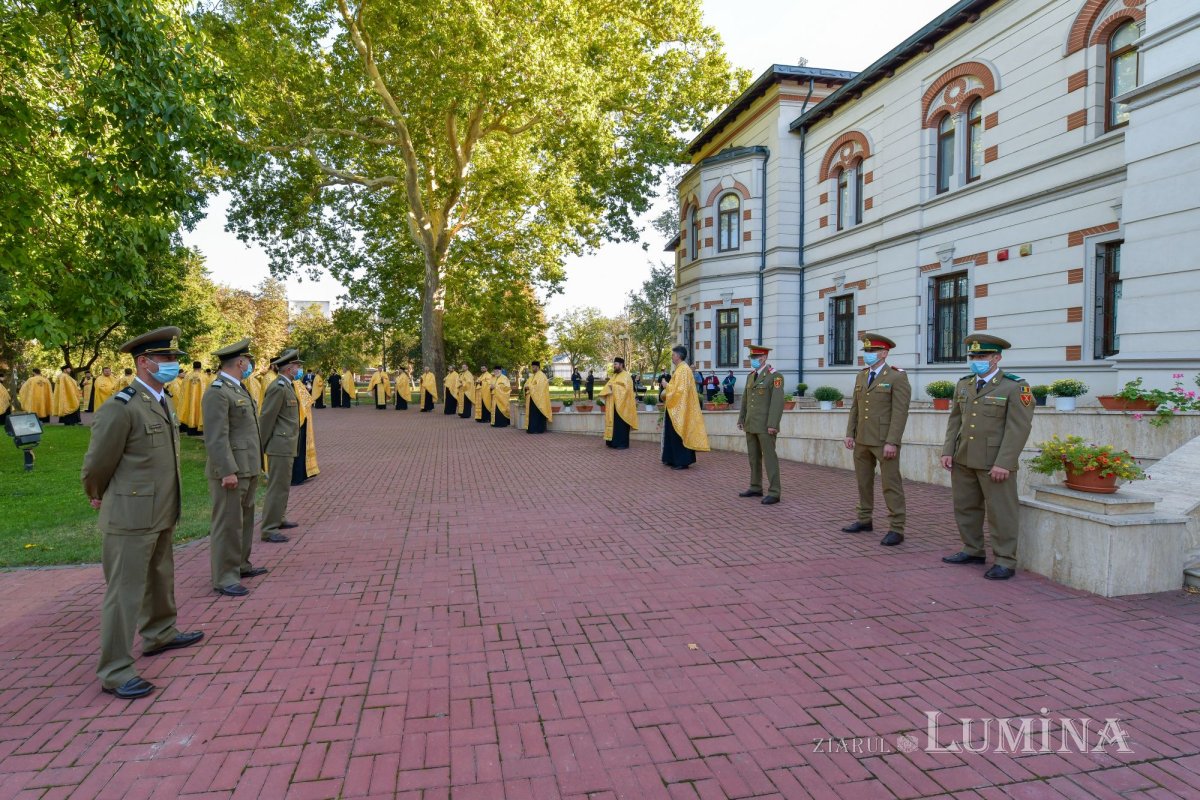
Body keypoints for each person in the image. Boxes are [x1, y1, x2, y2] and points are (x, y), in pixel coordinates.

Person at [81, 326, 203, 699]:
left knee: (160, 575)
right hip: (131, 514)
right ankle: (115, 670)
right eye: (166, 359)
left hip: (162, 507)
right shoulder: (122, 407)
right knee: (124, 592)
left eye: (175, 359)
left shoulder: (162, 399)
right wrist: (97, 493)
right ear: (144, 362)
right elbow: (96, 464)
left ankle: (160, 633)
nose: (173, 365)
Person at [940, 333, 1035, 581]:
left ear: (996, 358)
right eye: (973, 356)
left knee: (1001, 511)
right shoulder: (964, 384)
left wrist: (1004, 462)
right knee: (965, 507)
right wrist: (948, 450)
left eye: (981, 356)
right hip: (964, 457)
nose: (976, 360)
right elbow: (955, 421)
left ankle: (1005, 560)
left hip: (994, 461)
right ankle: (972, 549)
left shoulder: (1015, 386)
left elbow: (1019, 428)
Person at [203, 339, 269, 599]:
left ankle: (241, 564)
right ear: (241, 362)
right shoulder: (218, 391)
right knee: (227, 524)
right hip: (232, 470)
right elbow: (216, 437)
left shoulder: (238, 388)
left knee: (244, 520)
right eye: (248, 361)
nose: (250, 365)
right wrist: (226, 470)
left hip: (247, 466)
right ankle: (224, 577)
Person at [842, 333, 912, 547]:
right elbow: (856, 406)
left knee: (891, 485)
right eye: (866, 351)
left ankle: (896, 528)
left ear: (884, 353)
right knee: (863, 482)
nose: (868, 355)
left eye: (872, 351)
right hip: (862, 438)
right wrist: (850, 432)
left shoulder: (896, 377)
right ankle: (864, 519)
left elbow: (900, 412)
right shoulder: (862, 376)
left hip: (884, 441)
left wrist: (893, 441)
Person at [260, 349, 304, 545]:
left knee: (283, 485)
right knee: (277, 487)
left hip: (286, 444)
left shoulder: (287, 385)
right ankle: (269, 528)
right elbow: (267, 418)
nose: (299, 369)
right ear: (288, 368)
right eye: (297, 366)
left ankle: (279, 517)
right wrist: (260, 446)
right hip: (279, 445)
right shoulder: (278, 387)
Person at [736, 345, 784, 504]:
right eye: (751, 358)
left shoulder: (775, 376)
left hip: (765, 426)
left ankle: (774, 491)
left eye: (755, 358)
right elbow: (745, 399)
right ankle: (755, 486)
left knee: (769, 458)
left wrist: (773, 424)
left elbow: (777, 403)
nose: (752, 361)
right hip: (751, 424)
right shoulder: (751, 376)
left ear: (763, 358)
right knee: (753, 458)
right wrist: (741, 418)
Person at [662, 347, 710, 469]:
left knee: (679, 434)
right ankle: (672, 458)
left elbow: (681, 391)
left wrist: (667, 385)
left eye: (673, 355)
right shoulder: (680, 369)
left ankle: (682, 461)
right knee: (672, 434)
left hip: (680, 408)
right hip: (675, 406)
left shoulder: (683, 370)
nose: (672, 357)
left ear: (678, 356)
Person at [599, 356, 638, 449]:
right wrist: (608, 389)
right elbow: (608, 385)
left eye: (615, 364)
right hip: (613, 405)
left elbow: (627, 390)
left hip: (623, 406)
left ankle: (621, 444)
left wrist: (614, 388)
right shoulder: (615, 376)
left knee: (621, 425)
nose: (614, 366)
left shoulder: (626, 376)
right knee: (614, 424)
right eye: (614, 364)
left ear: (621, 365)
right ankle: (612, 442)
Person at [290, 364, 319, 486]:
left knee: (301, 449)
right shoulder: (289, 384)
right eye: (298, 366)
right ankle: (296, 476)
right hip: (296, 421)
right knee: (296, 450)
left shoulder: (297, 382)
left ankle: (302, 473)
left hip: (303, 419)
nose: (300, 370)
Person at [524, 360, 552, 434]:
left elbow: (540, 387)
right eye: (532, 367)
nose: (532, 368)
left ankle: (538, 429)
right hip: (531, 398)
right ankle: (532, 428)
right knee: (532, 414)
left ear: (538, 367)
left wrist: (529, 386)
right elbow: (527, 383)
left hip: (539, 399)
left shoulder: (541, 375)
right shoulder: (532, 376)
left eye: (534, 367)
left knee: (537, 414)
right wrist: (526, 387)